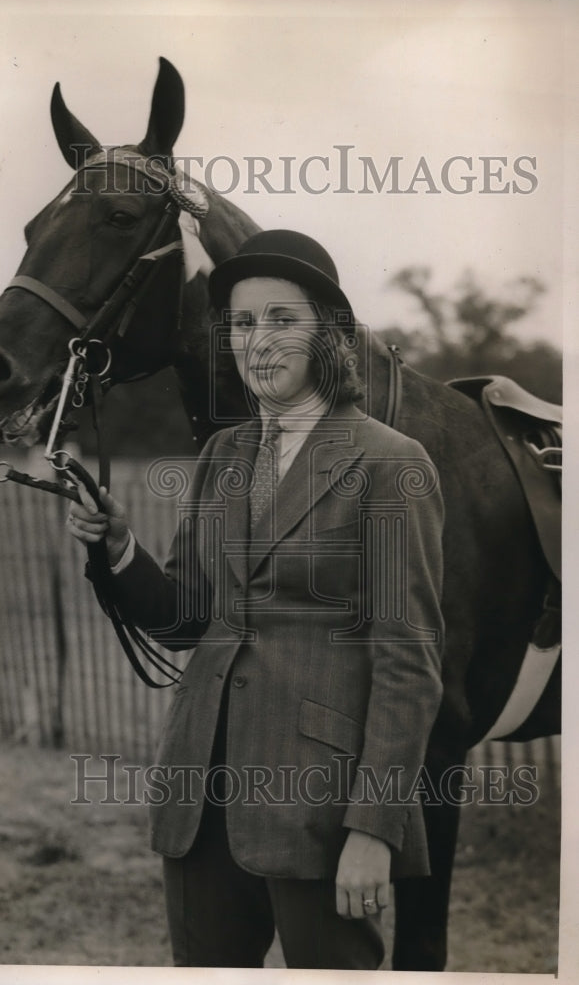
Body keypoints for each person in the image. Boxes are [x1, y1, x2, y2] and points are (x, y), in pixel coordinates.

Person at [66, 229, 444, 969]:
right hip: (198, 797)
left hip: (320, 809)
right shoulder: (220, 457)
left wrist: (372, 829)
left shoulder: (390, 464)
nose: (257, 340)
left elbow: (409, 666)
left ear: (330, 336)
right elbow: (185, 621)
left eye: (280, 319)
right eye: (241, 323)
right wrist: (117, 548)